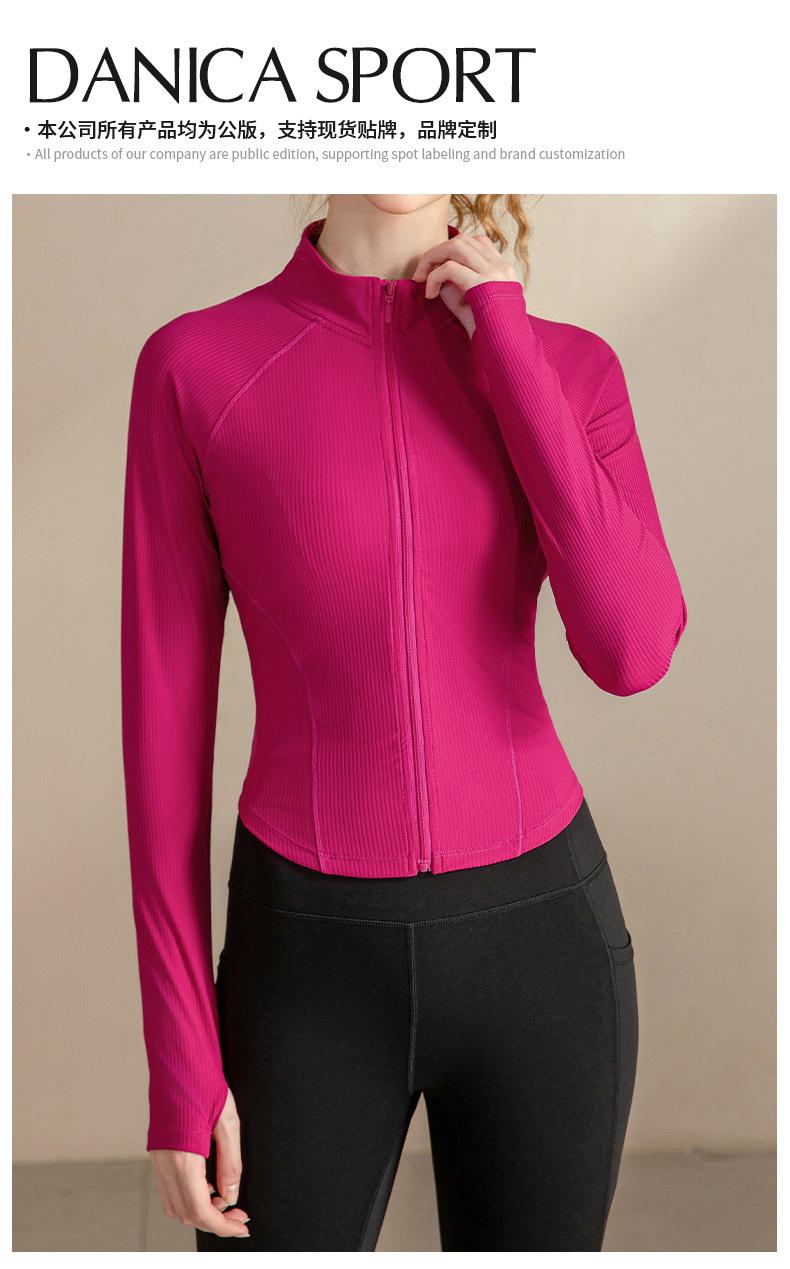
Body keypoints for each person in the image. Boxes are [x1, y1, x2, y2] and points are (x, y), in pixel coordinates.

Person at [120, 194, 687, 1251]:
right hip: (303, 960)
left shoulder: (569, 366)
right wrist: (178, 1053)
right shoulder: (195, 367)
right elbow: (160, 733)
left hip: (544, 950)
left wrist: (507, 346)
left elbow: (633, 650)